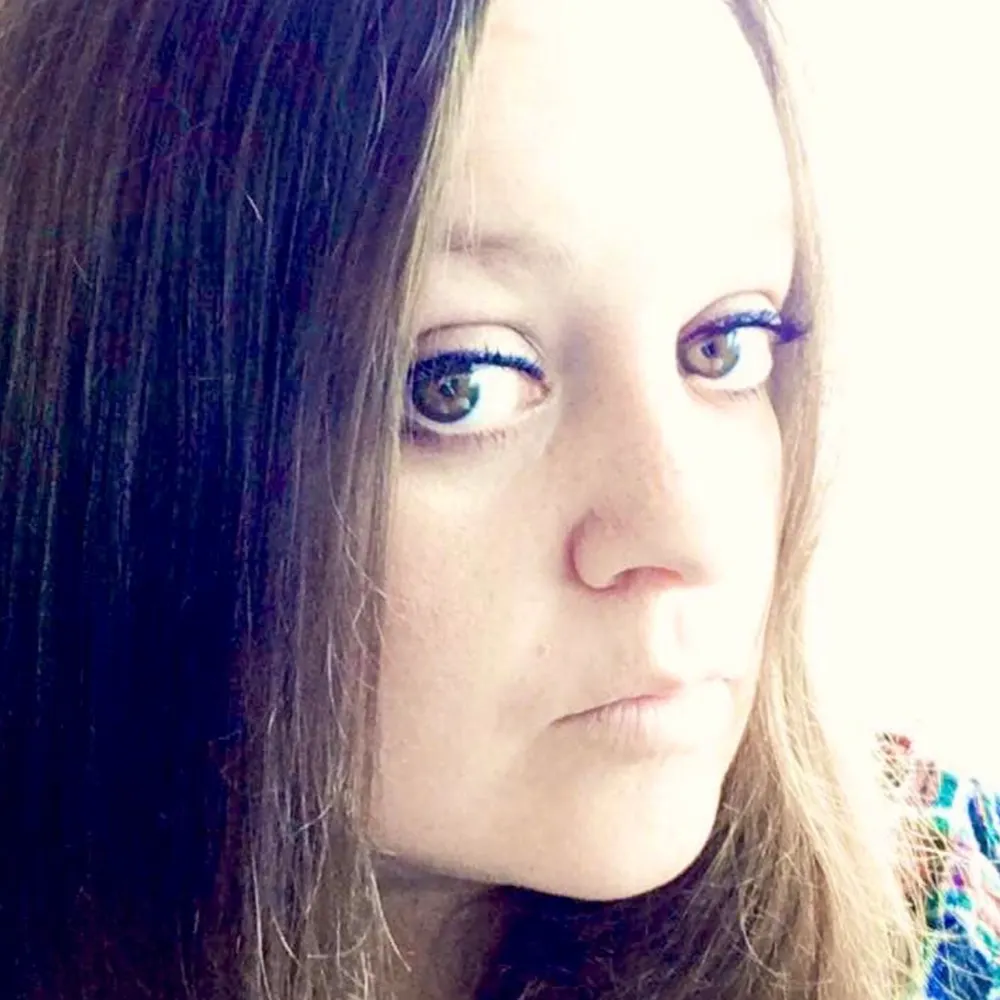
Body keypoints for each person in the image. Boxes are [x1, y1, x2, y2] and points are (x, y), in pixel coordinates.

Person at [0, 0, 996, 997]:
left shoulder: (941, 911)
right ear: (121, 432)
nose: (687, 531)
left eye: (725, 345)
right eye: (461, 382)